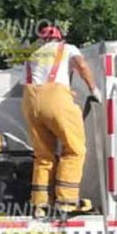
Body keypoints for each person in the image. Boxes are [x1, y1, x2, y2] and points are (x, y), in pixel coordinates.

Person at [22, 25, 102, 218]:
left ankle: (39, 205)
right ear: (60, 38)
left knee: (43, 155)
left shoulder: (33, 56)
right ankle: (66, 202)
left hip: (30, 102)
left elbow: (39, 86)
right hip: (55, 100)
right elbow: (81, 66)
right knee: (75, 150)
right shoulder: (67, 49)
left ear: (42, 40)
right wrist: (94, 90)